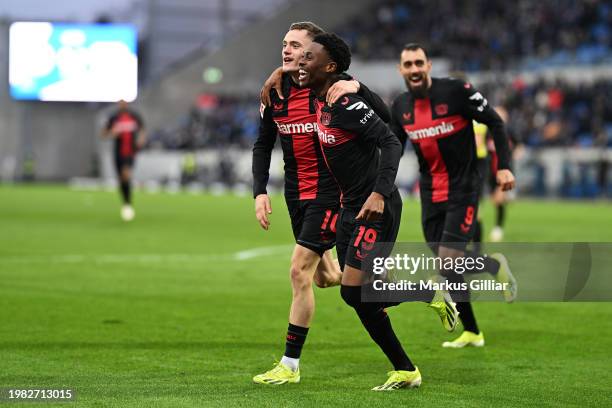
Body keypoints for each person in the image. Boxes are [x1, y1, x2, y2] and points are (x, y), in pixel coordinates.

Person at [298, 33, 457, 391]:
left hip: (375, 207)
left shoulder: (344, 102)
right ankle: (405, 370)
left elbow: (389, 139)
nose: (301, 62)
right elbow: (291, 69)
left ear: (330, 66)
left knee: (354, 292)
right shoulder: (318, 92)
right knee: (361, 297)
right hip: (348, 207)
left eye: (310, 57)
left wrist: (380, 193)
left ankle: (427, 292)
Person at [251, 22, 392, 386]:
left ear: (313, 53)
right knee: (327, 278)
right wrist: (260, 190)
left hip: (330, 194)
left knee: (298, 272)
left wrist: (359, 85)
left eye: (296, 45)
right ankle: (411, 291)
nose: (287, 50)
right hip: (295, 194)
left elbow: (383, 121)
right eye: (284, 44)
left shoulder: (332, 86)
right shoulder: (276, 91)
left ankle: (290, 365)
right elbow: (263, 143)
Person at [389, 43, 518, 349]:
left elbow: (495, 123)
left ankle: (469, 308)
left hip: (464, 187)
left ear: (429, 65)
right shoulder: (400, 107)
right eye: (408, 64)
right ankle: (475, 324)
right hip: (430, 190)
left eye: (419, 62)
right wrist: (379, 184)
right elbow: (394, 148)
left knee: (448, 262)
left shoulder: (456, 91)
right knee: (448, 261)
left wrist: (505, 168)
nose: (414, 69)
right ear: (401, 70)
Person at [102, 100, 145, 221]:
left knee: (126, 175)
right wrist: (112, 133)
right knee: (121, 179)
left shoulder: (134, 116)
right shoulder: (114, 118)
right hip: (118, 153)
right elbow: (103, 134)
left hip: (130, 152)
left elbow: (142, 130)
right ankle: (126, 203)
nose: (123, 104)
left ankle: (128, 204)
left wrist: (141, 139)